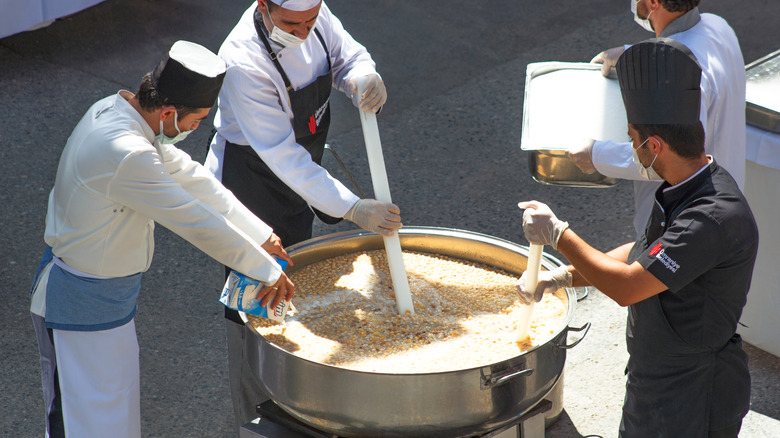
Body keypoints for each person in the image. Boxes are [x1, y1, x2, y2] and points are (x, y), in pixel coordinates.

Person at [29, 40, 294, 438]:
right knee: (91, 423)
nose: (195, 129)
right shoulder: (127, 152)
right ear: (169, 112)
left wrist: (261, 234)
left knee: (111, 415)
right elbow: (194, 221)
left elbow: (191, 176)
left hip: (103, 298)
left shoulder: (123, 113)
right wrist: (267, 271)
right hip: (82, 303)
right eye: (197, 120)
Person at [518, 39, 757, 437]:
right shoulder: (681, 186)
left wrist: (559, 234)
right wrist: (560, 278)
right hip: (656, 378)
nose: (631, 148)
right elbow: (639, 254)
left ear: (655, 145)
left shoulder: (710, 217)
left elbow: (629, 287)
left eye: (632, 139)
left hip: (694, 394)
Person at [203, 0, 402, 429]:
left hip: (300, 168)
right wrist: (352, 207)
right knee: (255, 298)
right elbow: (280, 153)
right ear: (263, 6)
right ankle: (256, 411)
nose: (304, 31)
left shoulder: (313, 15)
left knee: (299, 277)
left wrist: (362, 77)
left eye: (311, 21)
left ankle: (307, 400)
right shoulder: (242, 60)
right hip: (251, 178)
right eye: (292, 24)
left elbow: (346, 53)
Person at [569, 0, 746, 237]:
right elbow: (689, 50)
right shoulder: (718, 26)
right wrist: (632, 54)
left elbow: (664, 158)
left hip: (681, 223)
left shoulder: (673, 70)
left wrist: (596, 154)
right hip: (724, 203)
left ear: (653, 2)